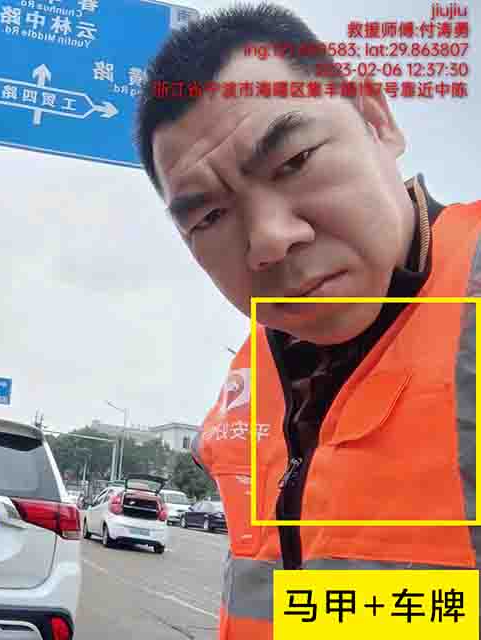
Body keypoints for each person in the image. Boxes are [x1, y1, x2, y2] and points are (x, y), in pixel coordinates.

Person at [135, 3, 480, 638]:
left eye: (294, 162)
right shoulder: (256, 375)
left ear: (377, 120)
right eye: (209, 217)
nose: (269, 239)